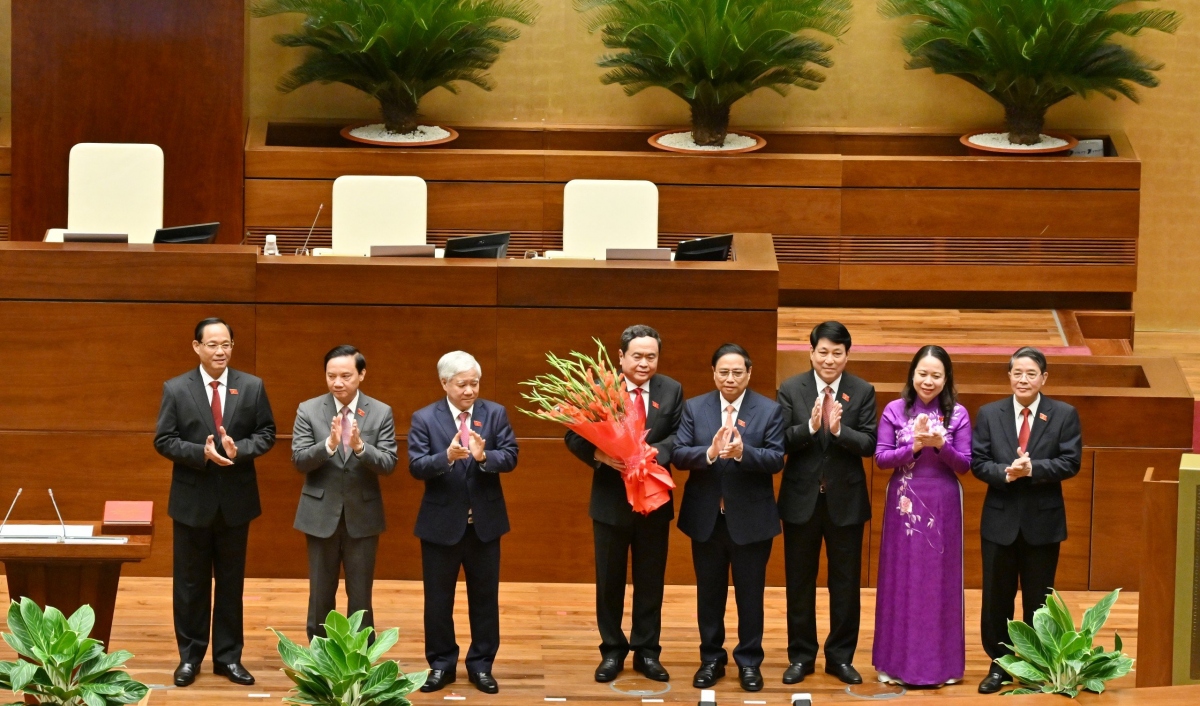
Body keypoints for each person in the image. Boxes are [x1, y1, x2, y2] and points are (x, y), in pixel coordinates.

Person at [154, 317, 276, 687]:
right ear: (197, 347)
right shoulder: (176, 388)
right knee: (190, 585)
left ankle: (228, 658)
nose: (220, 351)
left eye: (226, 344)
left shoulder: (251, 386)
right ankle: (190, 658)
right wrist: (201, 453)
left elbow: (267, 433)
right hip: (192, 502)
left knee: (230, 583)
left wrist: (239, 450)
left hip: (236, 502)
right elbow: (164, 440)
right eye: (212, 344)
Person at [565, 325, 683, 684]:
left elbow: (681, 434)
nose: (644, 363)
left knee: (650, 581)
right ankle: (612, 651)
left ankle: (647, 652)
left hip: (654, 501)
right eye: (637, 356)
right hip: (610, 502)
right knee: (610, 581)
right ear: (621, 357)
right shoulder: (601, 389)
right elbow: (572, 434)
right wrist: (598, 452)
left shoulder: (671, 390)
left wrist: (651, 453)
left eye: (651, 356)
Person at [673, 343, 785, 692]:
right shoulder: (694, 408)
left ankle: (749, 662)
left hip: (751, 521)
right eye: (724, 372)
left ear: (749, 374)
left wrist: (742, 453)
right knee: (709, 595)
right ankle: (711, 659)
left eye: (738, 372)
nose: (730, 378)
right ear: (714, 373)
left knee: (750, 596)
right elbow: (678, 452)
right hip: (706, 519)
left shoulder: (768, 410)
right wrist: (709, 452)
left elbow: (776, 459)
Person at [972, 346, 1082, 694]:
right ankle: (1000, 665)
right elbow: (978, 461)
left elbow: (1070, 461)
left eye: (1030, 373)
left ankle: (1037, 666)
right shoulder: (990, 413)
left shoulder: (1063, 414)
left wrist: (1034, 469)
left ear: (1043, 378)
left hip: (1042, 525)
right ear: (1009, 376)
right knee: (996, 599)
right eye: (1017, 372)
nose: (1023, 379)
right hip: (999, 522)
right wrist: (1005, 473)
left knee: (1038, 599)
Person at [409, 351, 519, 695]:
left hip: (484, 525)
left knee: (485, 599)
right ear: (445, 383)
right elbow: (416, 466)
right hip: (441, 525)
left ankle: (482, 665)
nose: (470, 390)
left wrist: (484, 456)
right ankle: (441, 665)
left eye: (474, 383)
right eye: (462, 384)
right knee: (438, 601)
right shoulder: (425, 418)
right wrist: (447, 458)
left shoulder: (495, 413)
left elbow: (511, 455)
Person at [776, 321, 877, 686]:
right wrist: (809, 427)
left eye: (837, 352)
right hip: (801, 500)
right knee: (799, 582)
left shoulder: (862, 391)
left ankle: (840, 657)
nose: (829, 359)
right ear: (811, 352)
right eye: (823, 351)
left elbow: (869, 444)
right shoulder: (791, 388)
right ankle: (801, 656)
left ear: (847, 355)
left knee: (845, 584)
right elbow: (780, 441)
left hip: (845, 502)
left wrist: (837, 432)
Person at [872, 346, 971, 686]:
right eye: (923, 374)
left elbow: (965, 465)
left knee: (938, 582)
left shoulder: (957, 414)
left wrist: (942, 446)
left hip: (943, 501)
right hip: (904, 500)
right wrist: (913, 447)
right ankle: (893, 662)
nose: (928, 381)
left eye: (936, 375)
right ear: (912, 375)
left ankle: (942, 666)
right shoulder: (894, 410)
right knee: (901, 578)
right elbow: (881, 460)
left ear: (946, 379)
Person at [291, 345, 398, 642]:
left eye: (346, 376)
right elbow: (299, 459)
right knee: (320, 594)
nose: (338, 382)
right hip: (319, 515)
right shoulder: (309, 409)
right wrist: (328, 445)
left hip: (362, 516)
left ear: (362, 374)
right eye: (331, 375)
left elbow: (389, 463)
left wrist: (362, 448)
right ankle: (320, 659)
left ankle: (361, 660)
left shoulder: (380, 411)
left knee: (361, 595)